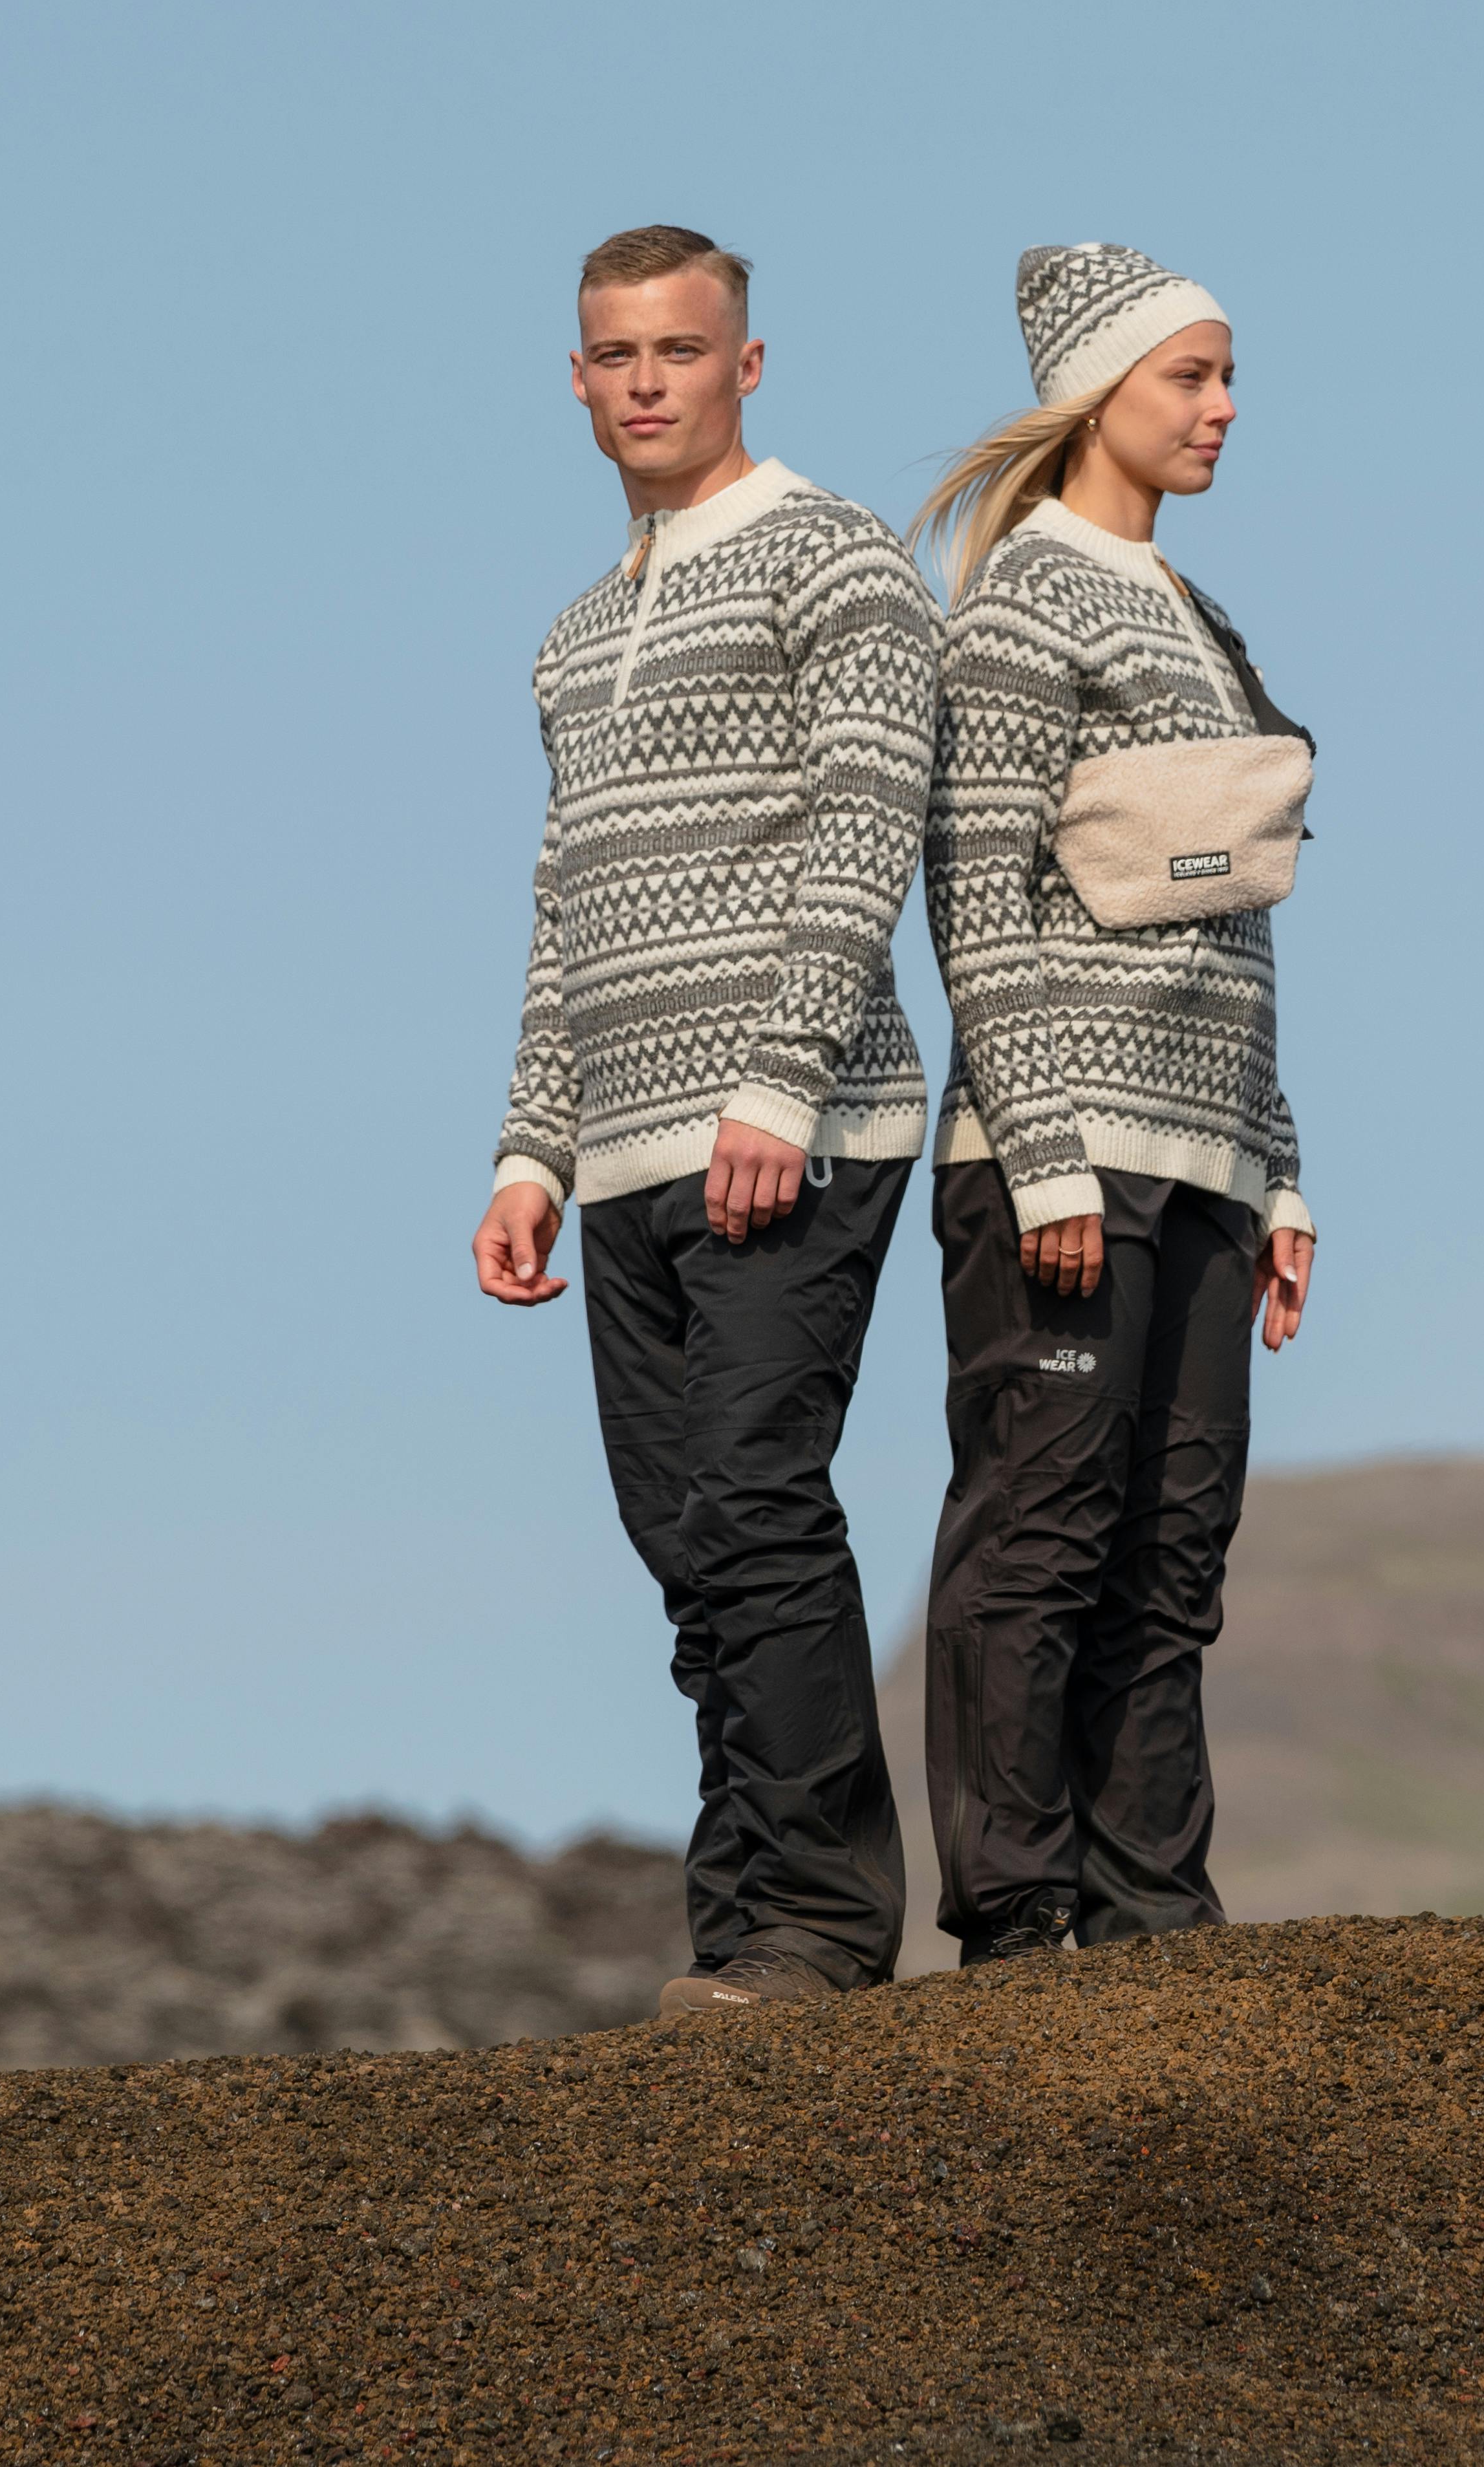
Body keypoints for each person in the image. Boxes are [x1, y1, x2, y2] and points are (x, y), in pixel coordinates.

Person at [471, 224, 938, 2015]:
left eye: (681, 349)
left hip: (793, 1125)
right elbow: (563, 900)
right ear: (578, 381)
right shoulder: (576, 636)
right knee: (684, 1541)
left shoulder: (836, 557)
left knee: (755, 1499)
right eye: (618, 354)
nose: (648, 381)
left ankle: (823, 1924)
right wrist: (533, 1147)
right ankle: (744, 1930)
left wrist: (780, 1076)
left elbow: (871, 818)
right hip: (623, 1149)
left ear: (746, 364)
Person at [909, 242, 1320, 1964]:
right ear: (1096, 396)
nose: (1222, 411)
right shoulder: (1023, 602)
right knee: (1046, 1531)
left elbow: (1234, 926)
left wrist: (1279, 1172)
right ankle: (1016, 1920)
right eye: (1189, 379)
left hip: (1209, 1157)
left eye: (1228, 381)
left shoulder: (1207, 625)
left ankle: (1158, 1922)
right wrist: (1049, 1156)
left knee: (1176, 1548)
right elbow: (973, 893)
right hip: (1061, 1155)